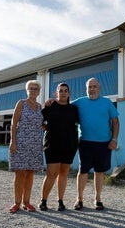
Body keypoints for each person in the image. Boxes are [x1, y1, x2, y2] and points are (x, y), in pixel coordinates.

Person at [71, 78, 119, 211]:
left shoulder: (107, 102)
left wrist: (114, 140)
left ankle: (98, 199)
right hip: (86, 143)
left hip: (104, 144)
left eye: (94, 87)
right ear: (86, 89)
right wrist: (52, 101)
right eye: (89, 87)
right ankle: (79, 199)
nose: (91, 89)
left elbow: (115, 122)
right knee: (83, 171)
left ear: (99, 88)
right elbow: (64, 106)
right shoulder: (79, 102)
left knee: (99, 171)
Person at [38, 83, 79, 211]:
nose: (63, 93)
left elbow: (78, 123)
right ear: (56, 93)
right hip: (52, 144)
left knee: (64, 173)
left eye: (65, 90)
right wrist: (44, 127)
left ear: (68, 93)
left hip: (69, 145)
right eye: (60, 90)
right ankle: (43, 201)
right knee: (52, 173)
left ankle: (60, 201)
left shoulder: (73, 109)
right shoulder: (50, 106)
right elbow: (38, 119)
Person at [8, 80, 43, 213]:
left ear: (39, 91)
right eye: (31, 88)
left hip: (34, 144)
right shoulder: (21, 104)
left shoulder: (40, 107)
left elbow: (41, 124)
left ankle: (26, 202)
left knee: (30, 173)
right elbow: (13, 123)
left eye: (35, 89)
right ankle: (17, 202)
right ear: (27, 90)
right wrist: (13, 141)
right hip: (21, 143)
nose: (33, 90)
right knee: (20, 173)